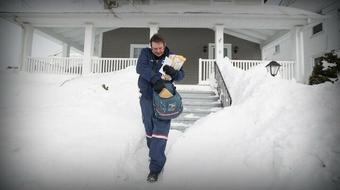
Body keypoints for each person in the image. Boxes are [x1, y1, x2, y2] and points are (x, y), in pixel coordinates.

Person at [136, 34, 184, 182]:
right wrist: (155, 79)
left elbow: (181, 75)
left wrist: (175, 73)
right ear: (151, 46)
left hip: (165, 98)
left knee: (160, 132)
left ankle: (155, 168)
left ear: (165, 45)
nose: (158, 51)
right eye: (155, 48)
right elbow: (141, 68)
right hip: (148, 98)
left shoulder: (172, 57)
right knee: (149, 129)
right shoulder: (145, 54)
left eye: (160, 48)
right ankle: (155, 154)